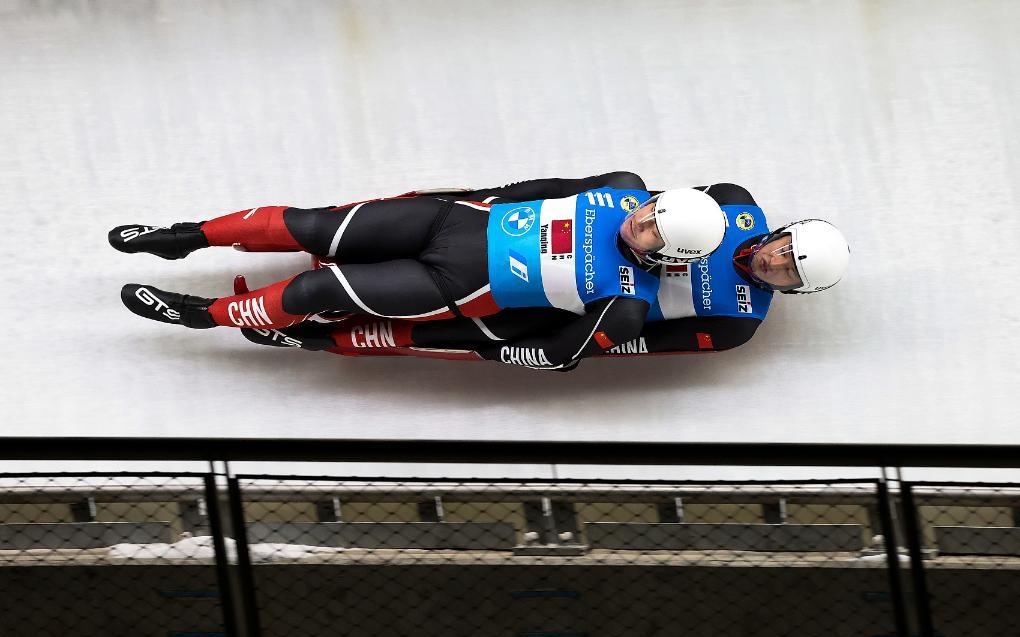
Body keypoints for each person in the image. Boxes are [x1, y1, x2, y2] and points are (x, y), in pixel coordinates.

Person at [110, 172, 728, 370]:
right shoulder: (621, 188)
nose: (639, 223)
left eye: (652, 231)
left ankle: (198, 315)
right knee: (312, 226)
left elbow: (562, 353)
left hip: (453, 289)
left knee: (316, 286)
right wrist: (448, 196)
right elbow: (530, 187)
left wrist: (497, 351)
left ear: (668, 258)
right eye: (649, 212)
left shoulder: (627, 305)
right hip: (452, 222)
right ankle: (183, 238)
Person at [230, 181, 851, 368]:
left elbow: (650, 341)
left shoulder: (739, 324)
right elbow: (641, 208)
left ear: (795, 291)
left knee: (456, 329)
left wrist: (565, 348)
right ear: (782, 232)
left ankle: (315, 333)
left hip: (583, 311)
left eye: (790, 274)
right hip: (562, 254)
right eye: (786, 249)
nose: (776, 263)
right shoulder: (730, 202)